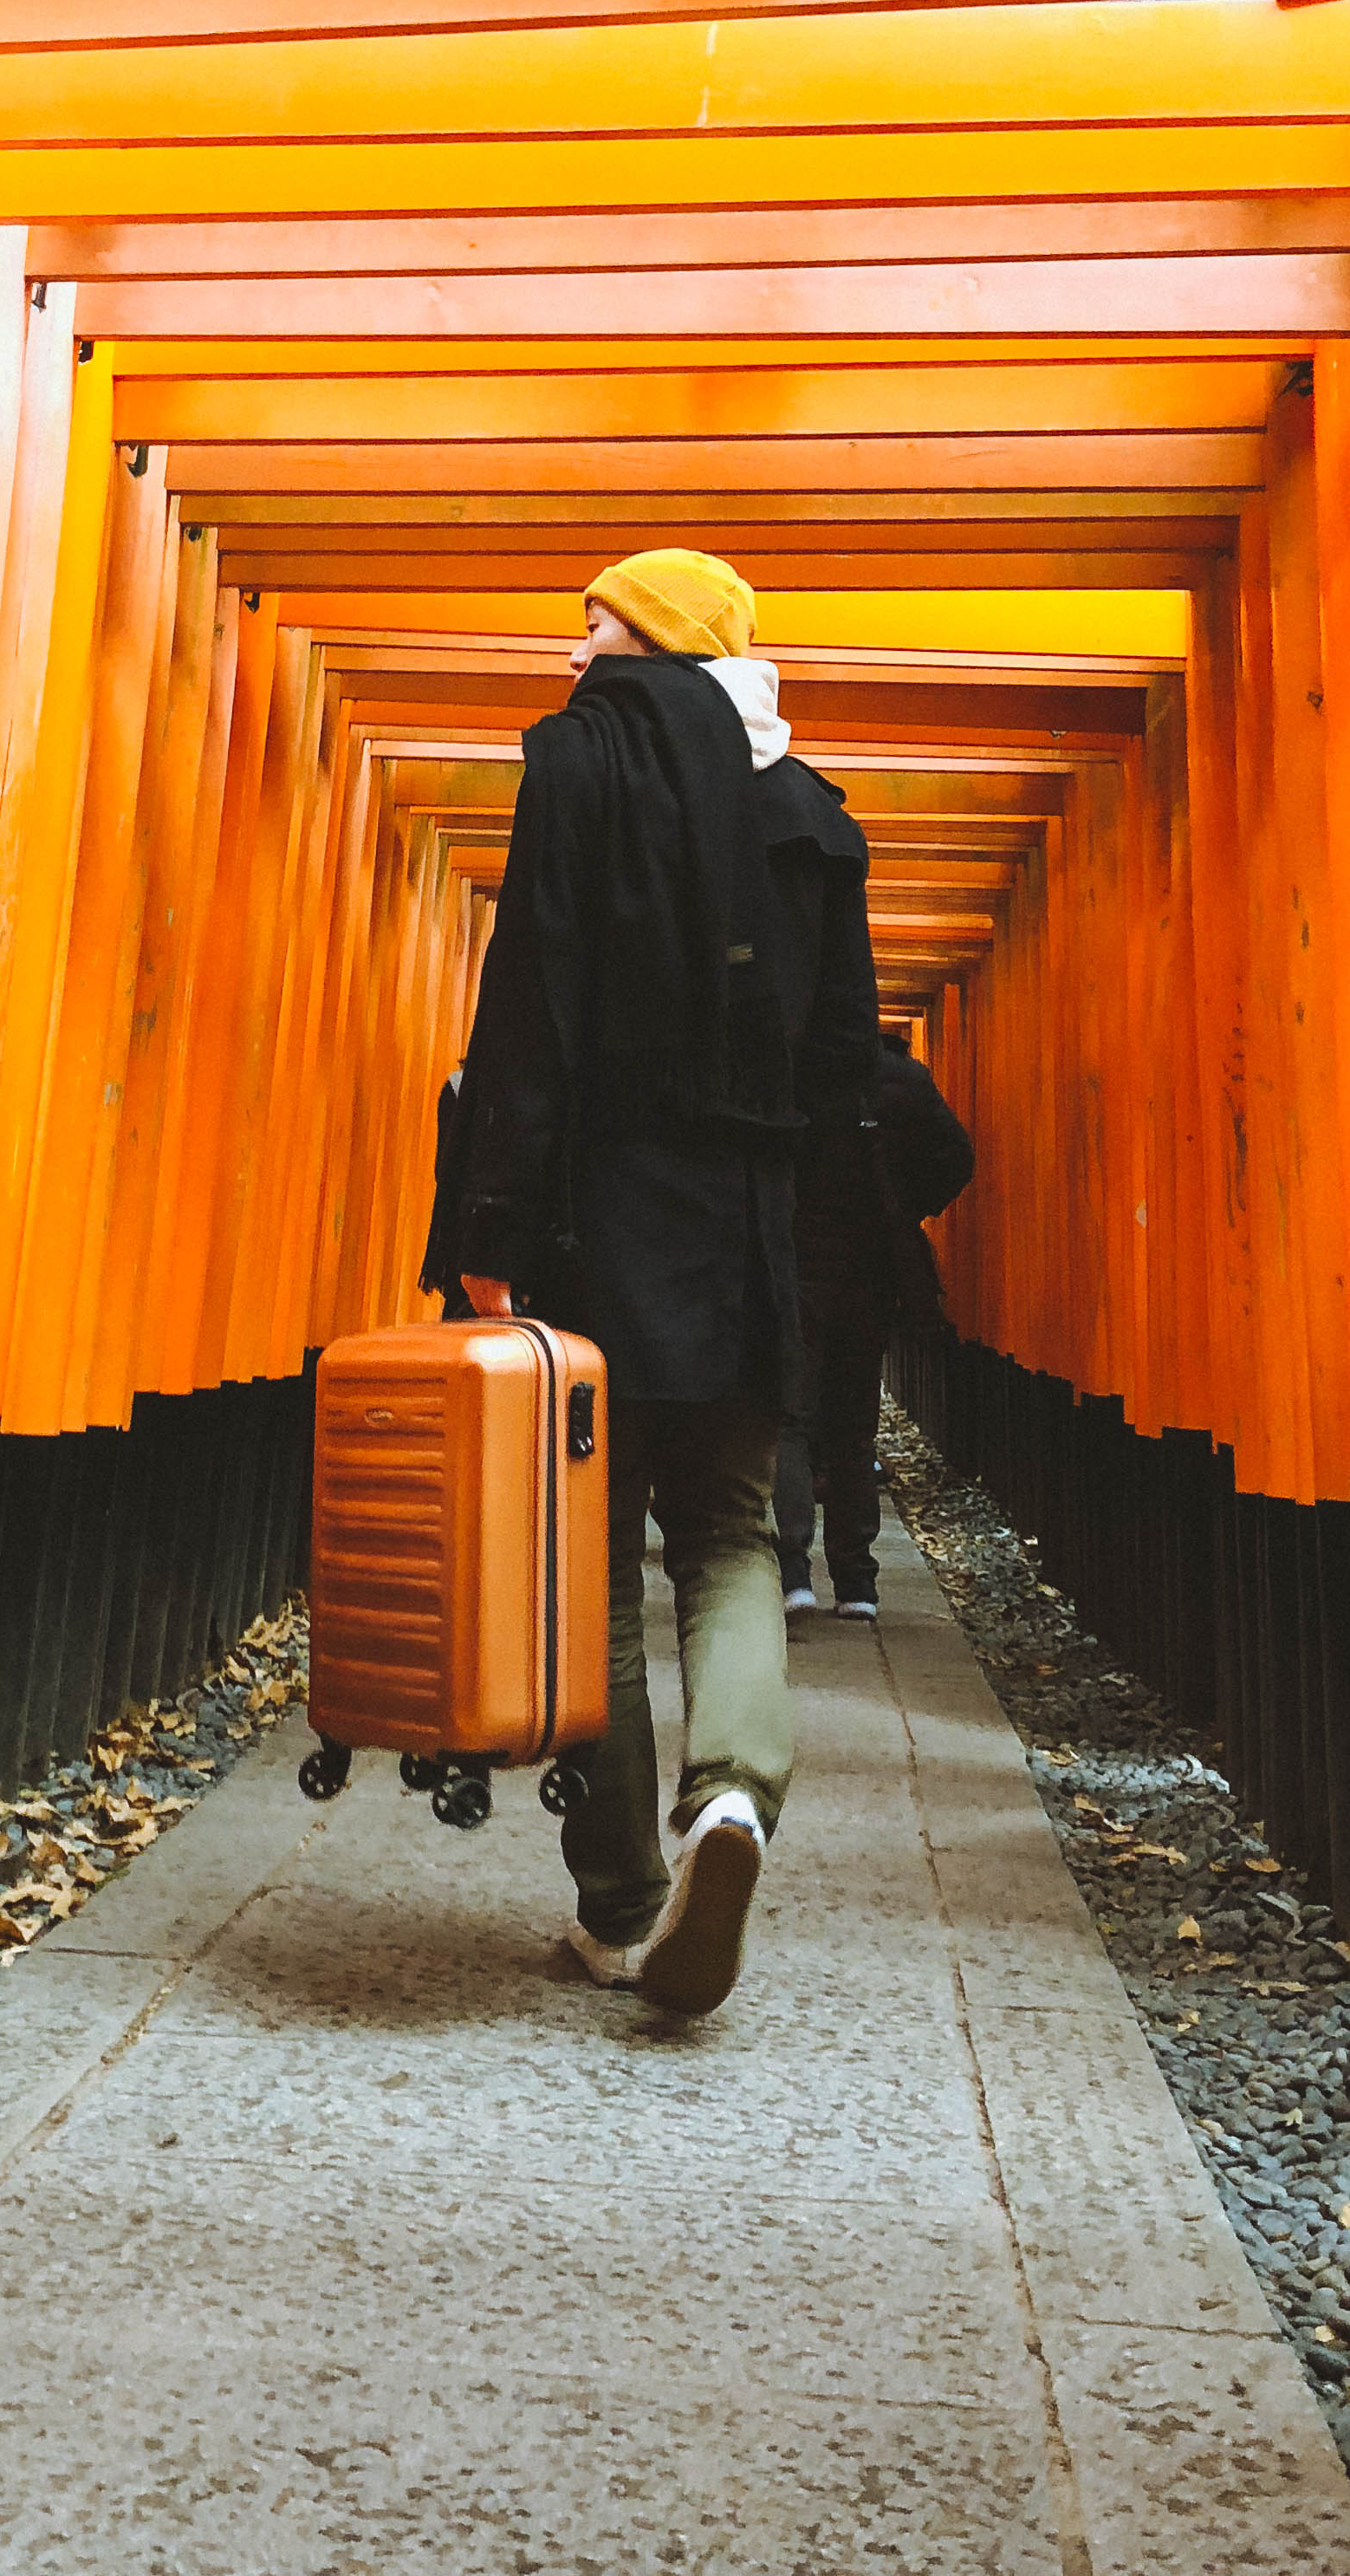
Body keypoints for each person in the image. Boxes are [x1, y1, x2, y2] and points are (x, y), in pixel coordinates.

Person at [422, 550, 877, 2016]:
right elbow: (840, 1066)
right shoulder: (816, 815)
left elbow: (531, 1001)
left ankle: (618, 1904)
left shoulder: (578, 763)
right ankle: (731, 1796)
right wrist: (807, 1245)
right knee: (733, 1530)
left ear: (659, 638)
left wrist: (481, 1220)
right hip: (747, 1224)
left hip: (593, 1216)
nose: (573, 654)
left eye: (597, 623)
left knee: (590, 1551)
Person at [775, 1028, 974, 1623]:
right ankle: (857, 1583)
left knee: (791, 1418)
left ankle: (792, 1571)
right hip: (872, 1271)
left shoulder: (790, 1070)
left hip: (798, 1265)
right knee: (854, 1424)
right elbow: (957, 1155)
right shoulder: (901, 1078)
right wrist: (906, 1204)